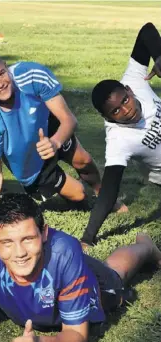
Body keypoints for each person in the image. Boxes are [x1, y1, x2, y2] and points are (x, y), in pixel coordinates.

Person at [0, 193, 161, 342]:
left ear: (44, 232)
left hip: (87, 278)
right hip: (47, 291)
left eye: (28, 239)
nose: (19, 253)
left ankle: (146, 248)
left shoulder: (65, 252)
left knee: (115, 275)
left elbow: (77, 335)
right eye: (7, 242)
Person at [0, 49, 107, 234]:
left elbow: (69, 119)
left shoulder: (32, 74)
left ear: (6, 66)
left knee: (84, 160)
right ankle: (67, 190)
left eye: (1, 73)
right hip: (29, 163)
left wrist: (55, 142)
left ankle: (105, 197)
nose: (0, 84)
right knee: (79, 194)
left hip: (49, 130)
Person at [82, 22, 161, 246]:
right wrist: (88, 238)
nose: (127, 110)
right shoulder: (118, 141)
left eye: (125, 101)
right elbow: (108, 192)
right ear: (108, 118)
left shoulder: (134, 79)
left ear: (129, 91)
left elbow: (147, 30)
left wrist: (159, 55)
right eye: (116, 111)